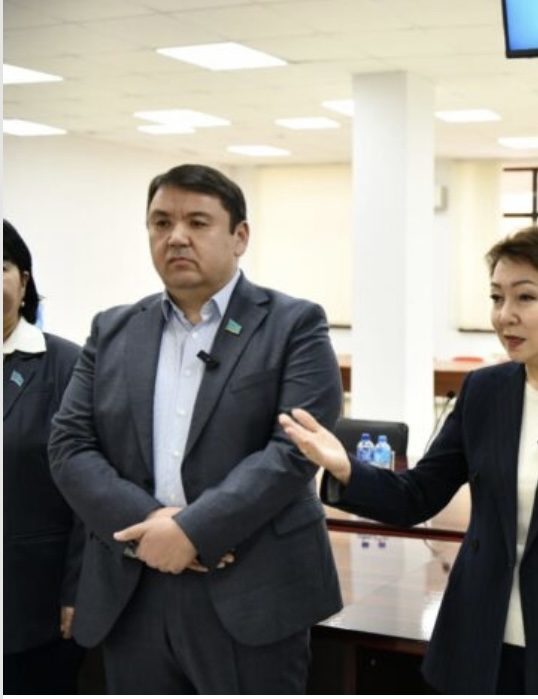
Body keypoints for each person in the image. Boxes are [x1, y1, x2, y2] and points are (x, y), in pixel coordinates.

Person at [280, 224, 538, 693]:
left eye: (525, 298)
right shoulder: (484, 391)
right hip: (481, 638)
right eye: (497, 297)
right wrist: (346, 468)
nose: (504, 316)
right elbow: (418, 495)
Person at [48, 164, 344, 694]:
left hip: (251, 590)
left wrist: (193, 530)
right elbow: (69, 446)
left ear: (240, 236)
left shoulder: (293, 323)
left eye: (197, 222)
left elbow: (294, 449)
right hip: (133, 586)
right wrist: (150, 527)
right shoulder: (112, 329)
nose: (176, 237)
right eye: (161, 223)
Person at [4, 220, 86, 693]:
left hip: (33, 607)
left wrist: (77, 590)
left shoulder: (67, 365)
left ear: (23, 281)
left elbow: (87, 492)